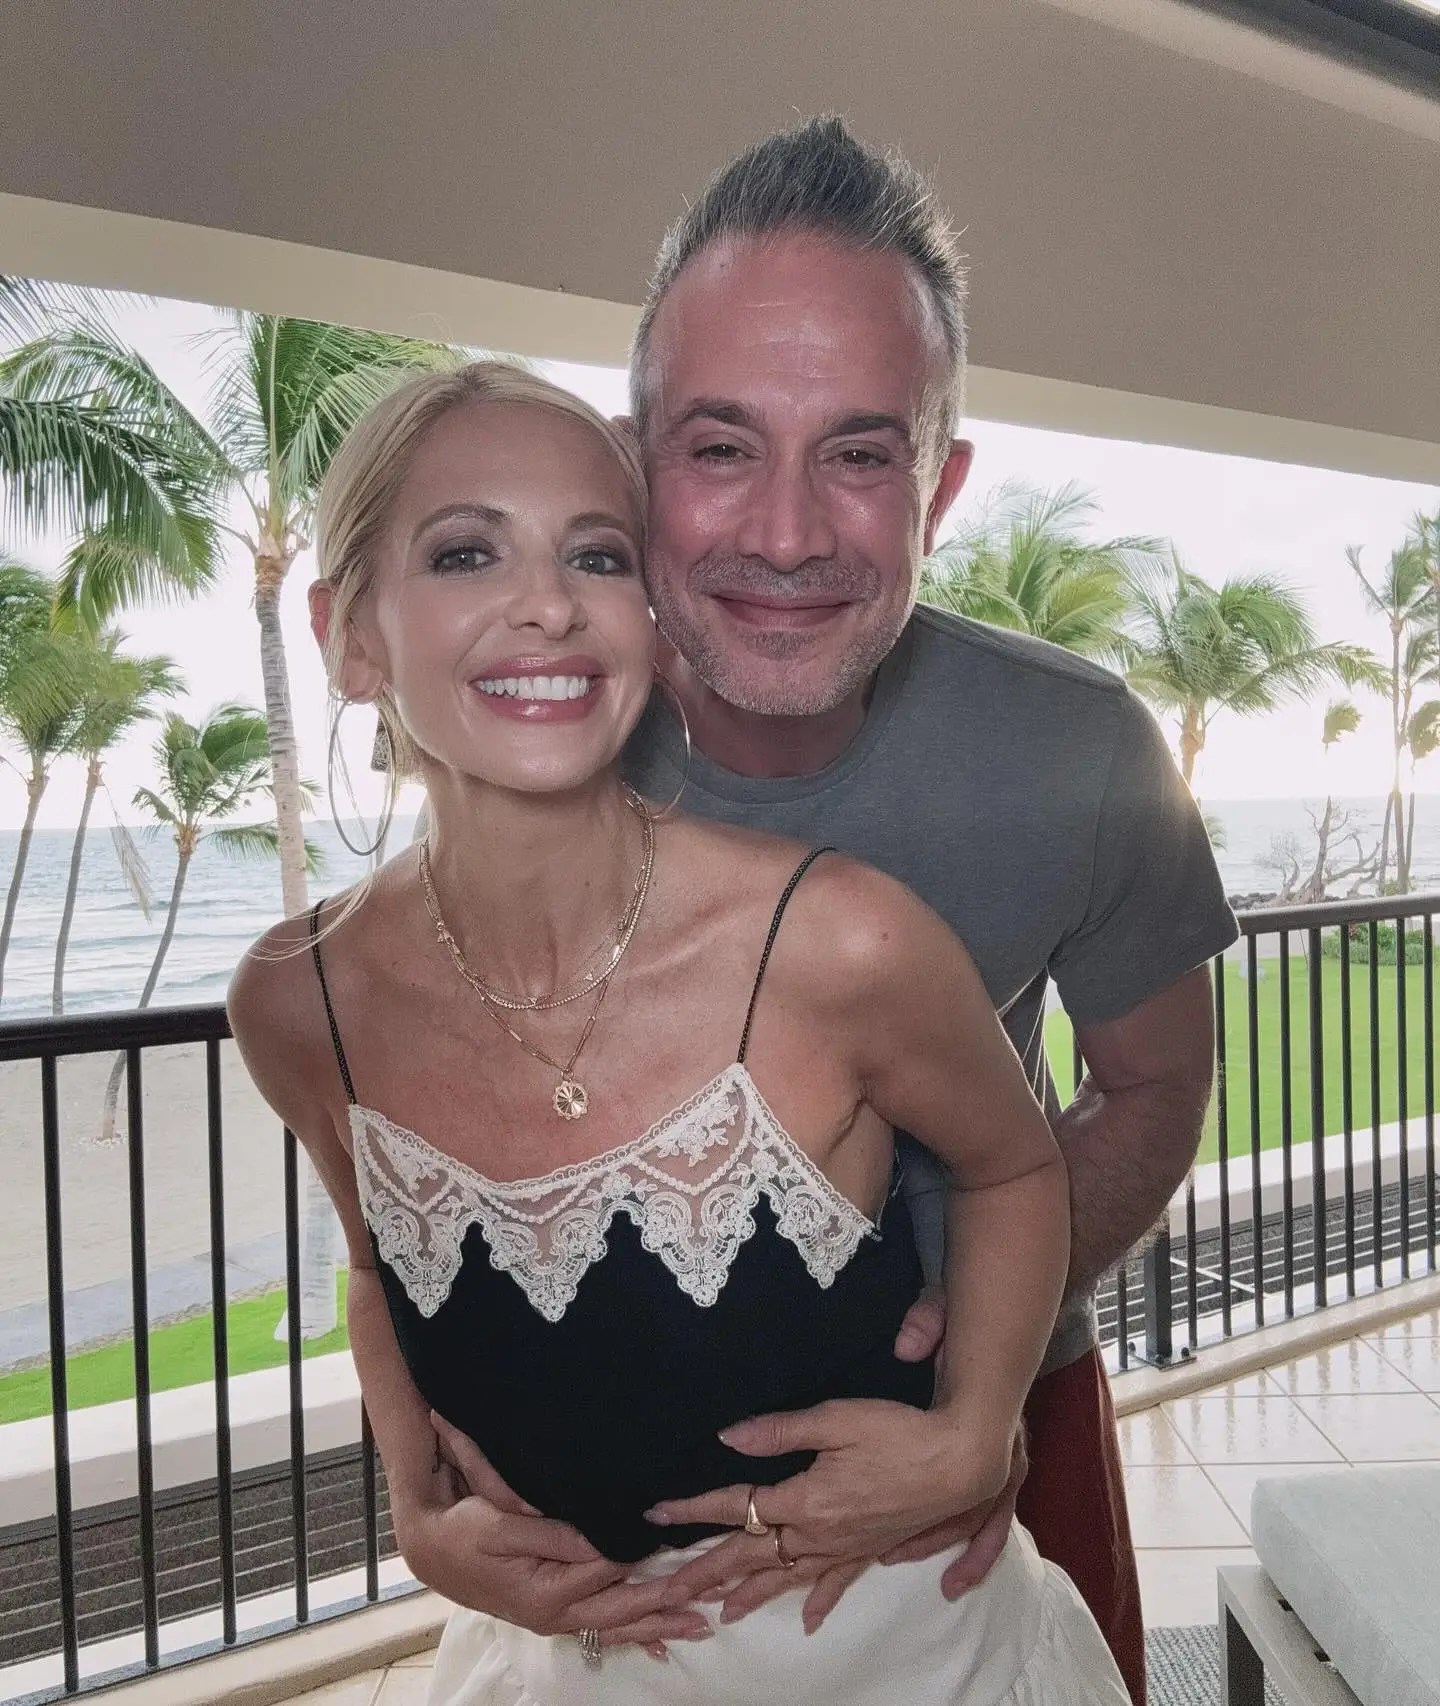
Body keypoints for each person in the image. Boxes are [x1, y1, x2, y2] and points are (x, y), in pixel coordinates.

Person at [401, 118, 1238, 1706]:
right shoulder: (526, 746)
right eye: (721, 447)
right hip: (627, 1481)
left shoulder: (1083, 749)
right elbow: (420, 1137)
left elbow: (1155, 1078)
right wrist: (421, 1494)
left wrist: (974, 1371)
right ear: (637, 463)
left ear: (941, 486)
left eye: (860, 453)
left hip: (1004, 1428)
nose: (785, 535)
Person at [229, 360, 1131, 1704]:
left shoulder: (839, 939)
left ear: (646, 627)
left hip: (904, 1654)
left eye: (597, 555)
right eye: (467, 551)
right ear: (351, 635)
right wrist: (417, 1508)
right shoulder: (298, 1002)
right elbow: (377, 1264)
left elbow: (1012, 1164)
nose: (548, 603)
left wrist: (973, 1428)